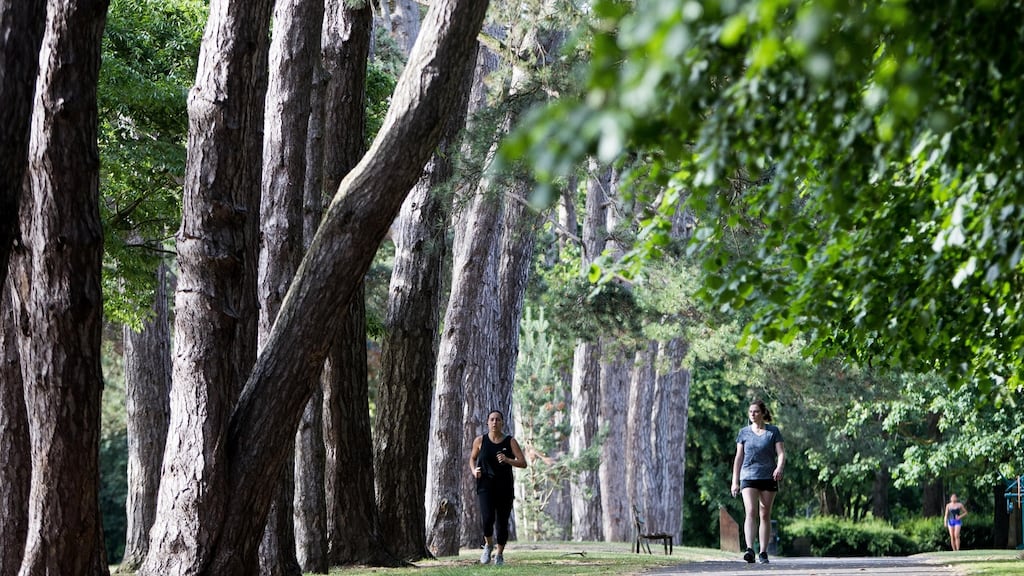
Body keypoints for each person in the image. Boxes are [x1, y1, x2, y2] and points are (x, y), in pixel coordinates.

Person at [731, 399, 785, 565]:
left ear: (762, 413)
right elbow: (738, 458)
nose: (752, 414)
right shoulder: (744, 432)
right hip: (748, 476)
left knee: (765, 514)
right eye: (750, 412)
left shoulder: (773, 432)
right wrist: (735, 481)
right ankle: (749, 549)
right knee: (751, 511)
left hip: (769, 476)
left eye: (755, 411)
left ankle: (763, 552)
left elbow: (781, 453)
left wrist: (779, 468)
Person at [469, 409, 527, 566]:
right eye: (492, 419)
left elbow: (523, 463)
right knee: (487, 519)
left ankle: (499, 554)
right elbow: (472, 459)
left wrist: (508, 460)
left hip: (504, 487)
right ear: (488, 422)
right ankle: (488, 545)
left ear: (502, 423)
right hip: (485, 486)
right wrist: (474, 470)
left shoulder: (510, 441)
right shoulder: (480, 441)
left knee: (502, 523)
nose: (495, 422)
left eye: (498, 419)